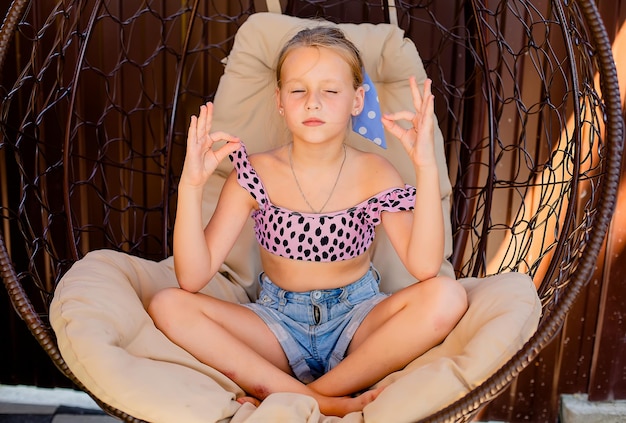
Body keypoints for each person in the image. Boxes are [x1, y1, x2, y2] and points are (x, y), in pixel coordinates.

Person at [148, 26, 468, 417]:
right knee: (168, 305)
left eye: (331, 91)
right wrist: (191, 185)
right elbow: (191, 279)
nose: (313, 103)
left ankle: (311, 393)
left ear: (356, 100)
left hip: (357, 319)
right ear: (279, 101)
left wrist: (426, 166)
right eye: (298, 90)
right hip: (277, 323)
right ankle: (321, 400)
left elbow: (424, 267)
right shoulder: (254, 173)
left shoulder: (376, 173)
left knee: (447, 296)